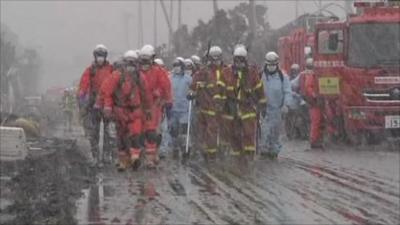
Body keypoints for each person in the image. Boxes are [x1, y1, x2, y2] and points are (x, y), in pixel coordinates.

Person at [99, 50, 152, 171]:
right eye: (128, 64)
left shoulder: (140, 77)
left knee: (136, 134)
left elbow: (146, 94)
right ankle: (123, 160)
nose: (130, 67)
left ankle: (135, 157)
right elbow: (107, 92)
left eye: (133, 64)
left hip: (135, 111)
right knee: (121, 136)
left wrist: (148, 109)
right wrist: (107, 107)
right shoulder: (116, 76)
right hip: (120, 111)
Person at [220, 45, 267, 159]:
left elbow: (259, 89)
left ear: (245, 60)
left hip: (247, 107)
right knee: (233, 133)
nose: (239, 62)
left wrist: (263, 103)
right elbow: (220, 88)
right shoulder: (226, 72)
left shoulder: (251, 73)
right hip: (231, 107)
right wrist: (221, 103)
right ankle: (236, 157)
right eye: (237, 59)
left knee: (249, 132)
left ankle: (249, 155)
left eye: (241, 60)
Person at [187, 46, 225, 161]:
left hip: (222, 106)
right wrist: (192, 92)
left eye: (217, 59)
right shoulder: (203, 72)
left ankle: (216, 152)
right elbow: (194, 85)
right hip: (205, 106)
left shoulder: (226, 70)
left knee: (220, 130)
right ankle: (207, 152)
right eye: (213, 59)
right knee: (205, 130)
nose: (215, 62)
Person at [78, 44, 113, 167]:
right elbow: (84, 84)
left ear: (105, 57)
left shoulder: (111, 69)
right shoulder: (90, 70)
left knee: (109, 132)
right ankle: (95, 155)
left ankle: (107, 155)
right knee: (94, 132)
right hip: (94, 105)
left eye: (102, 56)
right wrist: (82, 96)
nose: (100, 58)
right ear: (95, 56)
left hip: (109, 104)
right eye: (98, 56)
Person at [139, 44, 173, 168]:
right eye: (142, 60)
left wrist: (166, 99)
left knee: (152, 131)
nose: (144, 63)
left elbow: (166, 87)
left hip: (154, 105)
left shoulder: (158, 72)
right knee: (138, 131)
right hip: (139, 105)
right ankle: (142, 154)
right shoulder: (136, 72)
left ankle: (150, 158)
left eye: (146, 60)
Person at [260, 51, 292, 159]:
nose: (271, 67)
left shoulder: (283, 76)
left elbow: (287, 91)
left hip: (277, 110)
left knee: (275, 132)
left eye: (273, 64)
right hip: (264, 109)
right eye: (269, 64)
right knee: (264, 131)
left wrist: (286, 105)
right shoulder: (260, 75)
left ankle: (274, 151)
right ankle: (263, 150)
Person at [168, 58, 193, 157]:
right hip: (173, 109)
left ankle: (186, 147)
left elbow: (193, 88)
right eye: (174, 66)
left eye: (178, 66)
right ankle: (175, 148)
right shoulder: (169, 78)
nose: (176, 68)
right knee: (173, 131)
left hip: (185, 110)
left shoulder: (188, 79)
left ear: (182, 67)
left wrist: (192, 93)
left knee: (184, 130)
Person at [299, 58, 324, 148]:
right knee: (316, 121)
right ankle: (314, 140)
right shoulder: (311, 75)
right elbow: (308, 88)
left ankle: (317, 139)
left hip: (317, 102)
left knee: (318, 122)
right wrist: (315, 96)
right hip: (314, 103)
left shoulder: (312, 75)